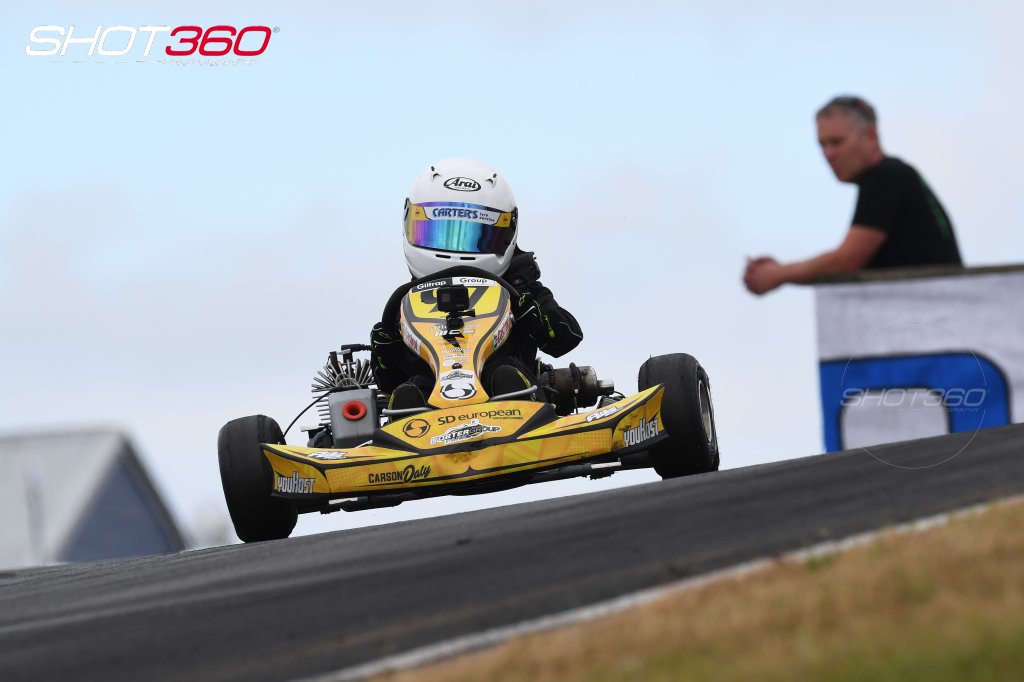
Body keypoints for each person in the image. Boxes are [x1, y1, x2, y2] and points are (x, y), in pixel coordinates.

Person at [370, 158, 583, 409]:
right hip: (430, 412)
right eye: (441, 233)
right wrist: (387, 345)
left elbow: (566, 338)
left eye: (474, 236)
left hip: (512, 404)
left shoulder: (520, 288)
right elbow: (387, 381)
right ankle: (410, 421)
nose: (455, 249)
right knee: (409, 391)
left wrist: (529, 311)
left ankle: (521, 407)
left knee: (505, 373)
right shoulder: (406, 305)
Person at [744, 95, 963, 295]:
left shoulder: (884, 177)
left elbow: (846, 261)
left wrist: (777, 274)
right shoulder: (898, 174)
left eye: (837, 142)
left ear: (870, 134)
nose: (828, 154)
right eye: (822, 145)